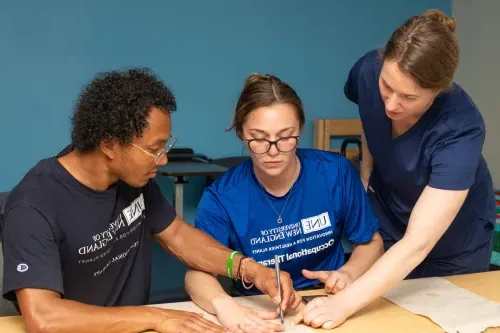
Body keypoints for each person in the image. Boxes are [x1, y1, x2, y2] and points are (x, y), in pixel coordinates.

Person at [1, 68, 298, 333]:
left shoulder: (133, 179)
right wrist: (157, 317)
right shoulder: (32, 206)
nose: (164, 159)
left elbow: (179, 236)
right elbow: (44, 318)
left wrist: (249, 269)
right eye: (154, 148)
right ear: (108, 143)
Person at [293, 9, 496, 329]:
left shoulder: (461, 127)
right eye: (387, 87)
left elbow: (419, 242)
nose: (390, 105)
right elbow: (369, 117)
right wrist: (366, 175)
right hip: (390, 215)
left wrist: (341, 304)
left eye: (408, 97)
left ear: (438, 92)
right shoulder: (368, 70)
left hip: (453, 244)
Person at [184, 73, 384, 333]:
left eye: (286, 137)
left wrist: (348, 274)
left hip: (329, 300)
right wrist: (224, 305)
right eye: (258, 138)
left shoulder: (335, 172)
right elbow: (196, 274)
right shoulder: (221, 197)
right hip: (262, 308)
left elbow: (371, 242)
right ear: (241, 134)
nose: (273, 150)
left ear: (300, 129)